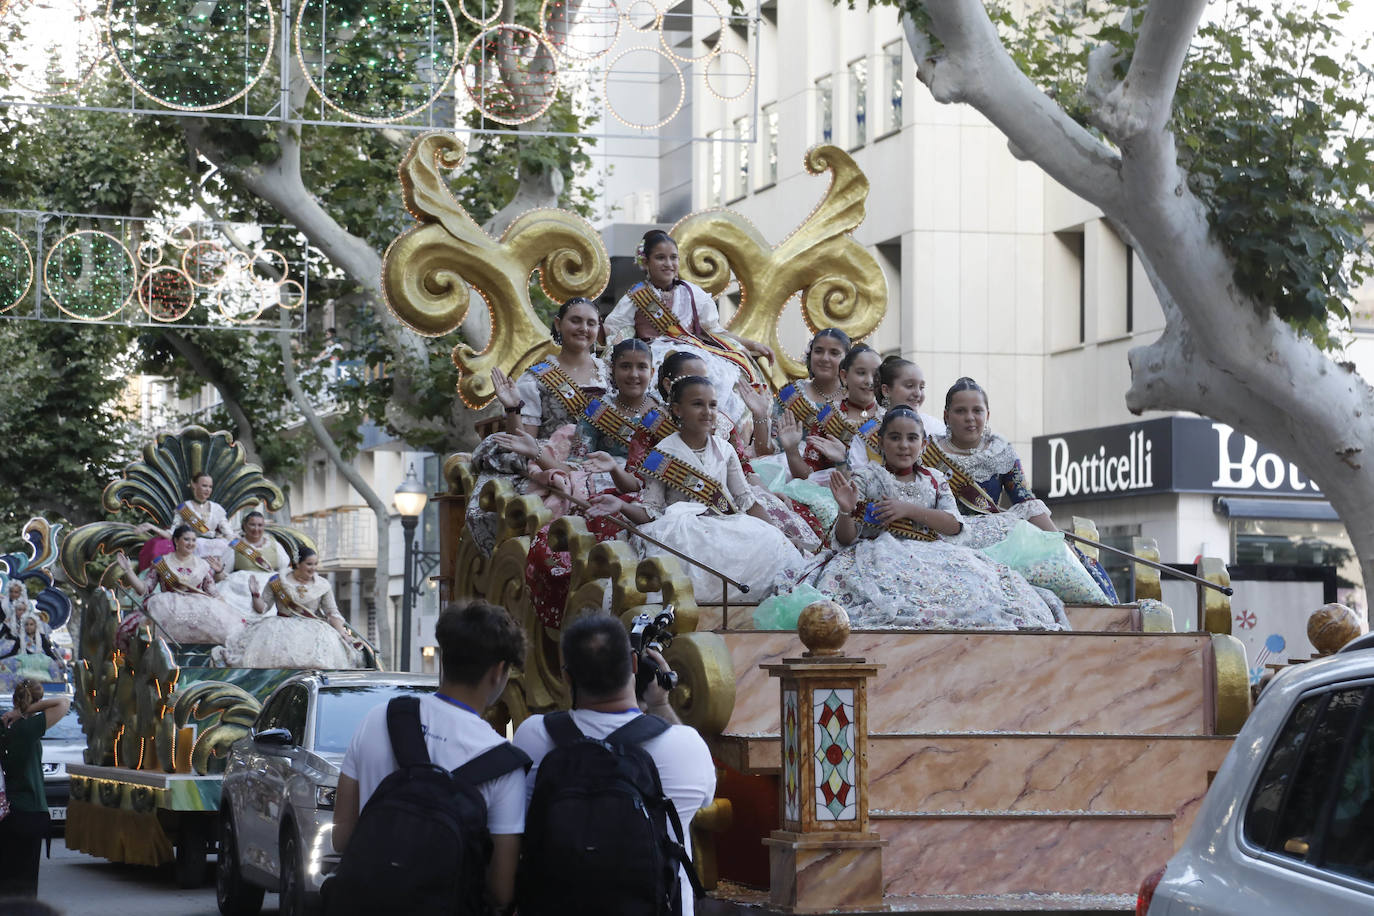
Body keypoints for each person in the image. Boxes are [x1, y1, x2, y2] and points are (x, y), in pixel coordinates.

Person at [780, 406, 1068, 630]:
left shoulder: (935, 479)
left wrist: (909, 510)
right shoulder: (866, 477)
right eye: (895, 437)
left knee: (985, 593)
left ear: (924, 445)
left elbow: (954, 525)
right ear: (880, 443)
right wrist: (846, 510)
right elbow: (846, 537)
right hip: (877, 556)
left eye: (911, 438)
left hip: (937, 554)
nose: (904, 445)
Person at [513, 615, 715, 916]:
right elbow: (706, 799)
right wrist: (660, 704)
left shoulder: (533, 734)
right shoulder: (685, 746)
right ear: (634, 665)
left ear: (567, 677)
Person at [333, 601, 528, 912]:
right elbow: (500, 891)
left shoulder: (379, 717)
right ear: (498, 671)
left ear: (444, 657)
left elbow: (342, 838)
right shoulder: (503, 764)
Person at [588, 376, 804, 603]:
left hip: (725, 523)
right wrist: (621, 505)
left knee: (768, 541)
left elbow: (745, 501)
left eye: (712, 405)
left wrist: (780, 534)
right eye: (697, 404)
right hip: (681, 531)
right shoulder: (662, 453)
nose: (707, 411)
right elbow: (650, 511)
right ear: (678, 410)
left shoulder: (725, 449)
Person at [604, 229, 773, 424]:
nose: (668, 264)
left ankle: (725, 435)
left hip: (696, 353)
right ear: (646, 262)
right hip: (655, 355)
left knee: (724, 379)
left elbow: (715, 332)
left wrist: (751, 344)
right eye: (660, 258)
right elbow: (617, 329)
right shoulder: (636, 297)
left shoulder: (693, 293)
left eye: (673, 258)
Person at [925, 377, 1055, 532]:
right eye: (960, 411)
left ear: (987, 415)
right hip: (941, 539)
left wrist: (1059, 542)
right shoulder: (927, 452)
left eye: (977, 410)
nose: (970, 418)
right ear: (946, 416)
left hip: (993, 540)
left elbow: (1025, 501)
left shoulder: (1000, 452)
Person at [216, 548, 361, 668]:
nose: (313, 568)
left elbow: (332, 612)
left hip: (314, 630)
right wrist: (255, 595)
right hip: (280, 629)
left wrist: (342, 632)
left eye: (315, 564)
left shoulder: (322, 585)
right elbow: (262, 608)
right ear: (297, 563)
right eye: (309, 564)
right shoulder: (277, 581)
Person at [113, 525, 244, 648]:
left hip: (198, 608)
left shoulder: (202, 565)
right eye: (186, 539)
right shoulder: (162, 562)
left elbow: (213, 593)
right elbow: (144, 589)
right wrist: (128, 571)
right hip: (166, 607)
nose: (191, 543)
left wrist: (228, 611)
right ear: (176, 540)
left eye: (193, 540)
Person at [0, 679, 70, 898]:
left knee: (8, 879)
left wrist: (16, 711)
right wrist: (27, 710)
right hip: (31, 811)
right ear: (37, 701)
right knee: (26, 882)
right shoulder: (28, 729)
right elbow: (63, 702)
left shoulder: (6, 731)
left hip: (8, 813)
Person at [136, 472, 237, 570]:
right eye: (204, 486)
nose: (207, 490)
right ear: (194, 485)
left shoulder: (217, 508)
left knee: (230, 548)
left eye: (210, 487)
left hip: (215, 546)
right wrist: (152, 527)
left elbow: (229, 534)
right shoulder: (185, 508)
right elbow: (172, 534)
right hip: (193, 546)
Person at [218, 510, 292, 616]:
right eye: (252, 525)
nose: (256, 529)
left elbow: (284, 569)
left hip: (269, 588)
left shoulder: (274, 544)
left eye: (260, 525)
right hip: (241, 589)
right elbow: (224, 574)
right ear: (245, 526)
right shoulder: (235, 546)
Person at [878, 355, 947, 437]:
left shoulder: (934, 428)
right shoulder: (871, 429)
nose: (918, 393)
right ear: (886, 390)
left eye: (921, 387)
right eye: (909, 386)